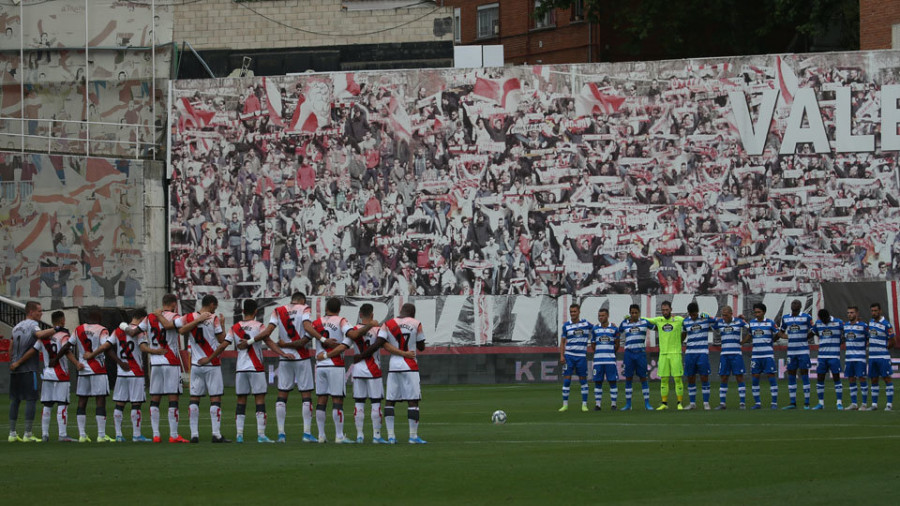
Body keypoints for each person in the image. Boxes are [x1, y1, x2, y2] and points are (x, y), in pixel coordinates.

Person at [256, 292, 327, 443]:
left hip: (285, 357)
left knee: (282, 395)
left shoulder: (278, 310)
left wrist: (281, 347)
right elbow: (307, 328)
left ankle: (281, 433)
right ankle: (306, 433)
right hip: (301, 356)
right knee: (306, 395)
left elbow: (267, 332)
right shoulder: (305, 308)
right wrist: (321, 338)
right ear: (302, 300)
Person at [10, 309, 80, 442]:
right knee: (62, 404)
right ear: (62, 321)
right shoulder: (63, 335)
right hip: (61, 374)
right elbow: (67, 352)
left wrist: (17, 362)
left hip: (47, 374)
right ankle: (62, 434)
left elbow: (32, 351)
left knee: (47, 405)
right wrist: (76, 363)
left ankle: (44, 434)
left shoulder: (43, 337)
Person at [226, 299, 288, 443]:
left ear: (242, 311)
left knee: (241, 400)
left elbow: (225, 342)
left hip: (241, 368)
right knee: (259, 399)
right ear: (256, 312)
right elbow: (269, 342)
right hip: (256, 367)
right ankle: (261, 435)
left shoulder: (235, 327)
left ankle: (239, 435)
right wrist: (282, 353)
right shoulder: (259, 326)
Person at [175, 294, 230, 443]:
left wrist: (196, 320)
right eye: (215, 306)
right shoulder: (213, 318)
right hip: (212, 364)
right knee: (215, 397)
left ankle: (194, 434)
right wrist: (223, 325)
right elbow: (221, 340)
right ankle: (216, 434)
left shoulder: (190, 316)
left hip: (196, 364)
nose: (215, 310)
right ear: (212, 304)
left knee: (194, 398)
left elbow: (179, 330)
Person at [138, 293, 189, 443]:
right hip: (171, 361)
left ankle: (156, 434)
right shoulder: (174, 316)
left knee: (155, 398)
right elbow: (177, 328)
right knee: (173, 398)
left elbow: (135, 331)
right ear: (173, 303)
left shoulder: (149, 317)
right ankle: (173, 435)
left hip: (155, 363)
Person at [378, 302, 427, 444]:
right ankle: (413, 436)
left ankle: (391, 436)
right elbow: (421, 346)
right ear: (413, 313)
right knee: (413, 400)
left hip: (394, 365)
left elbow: (382, 342)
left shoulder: (388, 323)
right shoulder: (416, 323)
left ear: (401, 310)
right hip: (410, 365)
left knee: (390, 400)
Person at [312, 297, 356, 443]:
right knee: (337, 400)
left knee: (321, 399)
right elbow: (350, 335)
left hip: (320, 365)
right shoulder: (341, 320)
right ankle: (339, 436)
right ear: (339, 309)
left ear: (326, 308)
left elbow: (308, 336)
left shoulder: (317, 322)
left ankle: (321, 435)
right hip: (335, 364)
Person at [345, 303, 387, 443]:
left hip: (358, 369)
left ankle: (360, 435)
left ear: (360, 314)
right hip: (373, 368)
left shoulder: (354, 330)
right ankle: (376, 436)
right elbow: (382, 344)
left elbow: (344, 345)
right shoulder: (378, 329)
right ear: (372, 315)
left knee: (359, 403)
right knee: (375, 403)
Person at [111, 309, 153, 442]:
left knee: (120, 404)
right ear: (141, 319)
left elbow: (107, 347)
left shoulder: (117, 331)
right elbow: (143, 348)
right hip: (136, 372)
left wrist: (119, 362)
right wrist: (156, 351)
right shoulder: (140, 332)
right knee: (136, 404)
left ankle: (118, 435)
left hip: (122, 372)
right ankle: (136, 435)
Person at [73, 306, 114, 442]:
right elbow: (105, 346)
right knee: (100, 399)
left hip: (83, 369)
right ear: (99, 317)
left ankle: (82, 435)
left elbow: (67, 346)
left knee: (82, 400)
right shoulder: (102, 329)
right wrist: (92, 355)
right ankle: (101, 435)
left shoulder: (78, 329)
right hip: (98, 369)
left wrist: (76, 363)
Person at [645, 300, 686, 410]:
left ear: (671, 310)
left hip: (676, 353)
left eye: (666, 310)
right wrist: (631, 318)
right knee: (664, 379)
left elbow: (690, 322)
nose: (664, 312)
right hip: (663, 354)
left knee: (677, 379)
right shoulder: (659, 320)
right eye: (663, 310)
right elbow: (646, 320)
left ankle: (679, 403)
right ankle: (664, 403)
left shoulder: (678, 320)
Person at [741, 303, 779, 409]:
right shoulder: (752, 323)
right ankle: (757, 403)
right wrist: (741, 343)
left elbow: (778, 334)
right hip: (756, 355)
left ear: (764, 312)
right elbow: (749, 335)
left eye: (759, 312)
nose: (757, 314)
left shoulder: (770, 322)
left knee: (771, 377)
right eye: (755, 312)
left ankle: (774, 403)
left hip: (768, 354)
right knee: (755, 378)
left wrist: (773, 340)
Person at [777, 299, 813, 409]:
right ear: (790, 306)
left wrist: (804, 338)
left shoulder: (807, 317)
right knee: (791, 374)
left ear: (801, 306)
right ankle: (793, 402)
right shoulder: (786, 317)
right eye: (793, 303)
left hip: (803, 351)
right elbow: (781, 332)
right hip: (791, 351)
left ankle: (806, 403)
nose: (795, 304)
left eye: (797, 303)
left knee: (804, 374)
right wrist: (787, 337)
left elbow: (813, 330)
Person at [618, 304, 653, 411]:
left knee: (643, 378)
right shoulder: (625, 323)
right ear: (629, 313)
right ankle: (628, 404)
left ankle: (647, 404)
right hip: (628, 354)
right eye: (632, 313)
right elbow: (618, 331)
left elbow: (657, 328)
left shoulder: (644, 322)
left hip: (640, 353)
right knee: (628, 378)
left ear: (639, 313)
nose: (634, 315)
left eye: (635, 313)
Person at [558, 303, 592, 412]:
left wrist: (612, 326)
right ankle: (565, 405)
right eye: (571, 312)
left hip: (581, 356)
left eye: (574, 311)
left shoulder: (586, 324)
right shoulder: (566, 326)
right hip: (569, 356)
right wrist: (562, 355)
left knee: (583, 380)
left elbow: (598, 328)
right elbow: (562, 342)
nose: (572, 314)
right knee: (567, 380)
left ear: (579, 312)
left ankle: (584, 405)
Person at [713, 306, 748, 409]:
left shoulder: (739, 321)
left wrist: (743, 342)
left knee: (739, 377)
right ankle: (722, 403)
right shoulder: (720, 322)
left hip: (736, 354)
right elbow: (710, 325)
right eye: (722, 315)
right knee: (724, 377)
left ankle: (742, 403)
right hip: (724, 354)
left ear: (731, 314)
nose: (724, 317)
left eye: (726, 315)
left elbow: (751, 329)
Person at [682, 302, 715, 410]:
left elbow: (717, 321)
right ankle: (692, 404)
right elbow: (683, 334)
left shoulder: (704, 319)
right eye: (691, 315)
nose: (693, 316)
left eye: (694, 314)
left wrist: (708, 316)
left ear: (697, 312)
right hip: (690, 352)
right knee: (690, 377)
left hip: (702, 352)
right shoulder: (686, 321)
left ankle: (706, 403)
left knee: (704, 377)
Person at [810, 308, 844, 410]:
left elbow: (847, 332)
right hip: (822, 356)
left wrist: (841, 340)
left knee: (836, 378)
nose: (824, 321)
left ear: (828, 316)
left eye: (825, 319)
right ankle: (821, 403)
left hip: (834, 356)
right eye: (822, 319)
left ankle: (839, 403)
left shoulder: (838, 322)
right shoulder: (818, 323)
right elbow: (813, 332)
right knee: (820, 378)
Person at [588, 308, 619, 411]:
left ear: (607, 316)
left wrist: (610, 353)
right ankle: (598, 405)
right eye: (599, 316)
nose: (601, 317)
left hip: (610, 360)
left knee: (612, 381)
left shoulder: (614, 329)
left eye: (603, 315)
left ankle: (613, 405)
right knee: (598, 382)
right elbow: (593, 345)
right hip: (598, 361)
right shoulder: (595, 329)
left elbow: (617, 345)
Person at [866, 302, 895, 411]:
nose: (873, 313)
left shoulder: (886, 324)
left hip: (883, 357)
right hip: (872, 357)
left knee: (887, 379)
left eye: (875, 311)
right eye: (872, 311)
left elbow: (893, 340)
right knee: (874, 379)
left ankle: (889, 404)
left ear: (880, 311)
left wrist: (884, 348)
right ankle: (874, 405)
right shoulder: (871, 322)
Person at [843, 306, 869, 410]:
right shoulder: (845, 326)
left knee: (862, 379)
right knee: (851, 379)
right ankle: (854, 403)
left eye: (852, 312)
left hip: (860, 357)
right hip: (849, 358)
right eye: (848, 312)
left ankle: (864, 404)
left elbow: (869, 338)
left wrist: (863, 348)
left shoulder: (863, 326)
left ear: (857, 314)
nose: (849, 314)